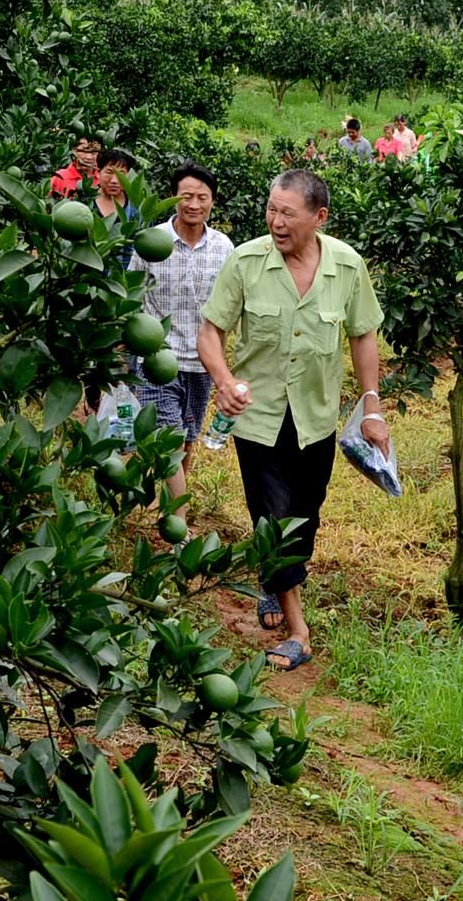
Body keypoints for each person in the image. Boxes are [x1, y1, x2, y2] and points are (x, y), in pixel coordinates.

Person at [198, 169, 386, 670]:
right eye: (271, 210)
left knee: (304, 517)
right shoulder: (246, 262)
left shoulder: (347, 266)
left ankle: (273, 580)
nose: (276, 222)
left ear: (319, 217)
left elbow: (363, 336)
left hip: (316, 420)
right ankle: (299, 631)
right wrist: (223, 382)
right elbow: (210, 333)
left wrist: (371, 405)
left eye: (288, 213)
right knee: (273, 519)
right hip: (256, 418)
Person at [135, 162, 235, 523]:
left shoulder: (224, 247)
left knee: (187, 441)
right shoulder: (151, 242)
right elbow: (131, 296)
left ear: (212, 202)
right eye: (186, 196)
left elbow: (232, 302)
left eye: (202, 197)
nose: (194, 204)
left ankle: (169, 502)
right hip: (158, 358)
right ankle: (179, 523)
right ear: (174, 198)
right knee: (171, 440)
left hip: (202, 362)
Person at [94, 146, 145, 267]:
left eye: (121, 174)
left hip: (124, 279)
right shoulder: (84, 206)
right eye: (109, 172)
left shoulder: (137, 211)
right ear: (98, 172)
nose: (114, 180)